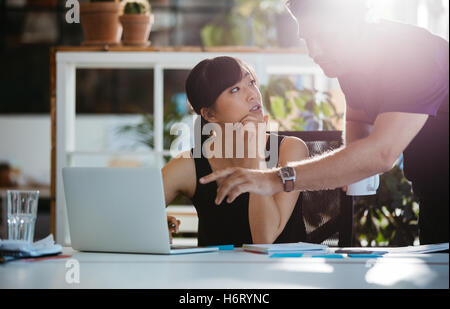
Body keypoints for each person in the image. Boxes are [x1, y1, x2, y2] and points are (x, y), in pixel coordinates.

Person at [200, 0, 449, 245]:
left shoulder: (415, 54)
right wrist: (354, 169)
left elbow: (382, 153)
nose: (314, 51)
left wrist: (273, 179)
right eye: (307, 39)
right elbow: (357, 117)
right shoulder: (351, 63)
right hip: (433, 194)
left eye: (324, 37)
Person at [164, 56, 310, 247]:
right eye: (235, 89)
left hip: (280, 273)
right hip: (216, 275)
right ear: (209, 114)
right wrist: (155, 224)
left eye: (251, 82)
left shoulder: (290, 150)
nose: (252, 94)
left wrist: (255, 155)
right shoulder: (191, 165)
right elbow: (133, 210)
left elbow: (264, 239)